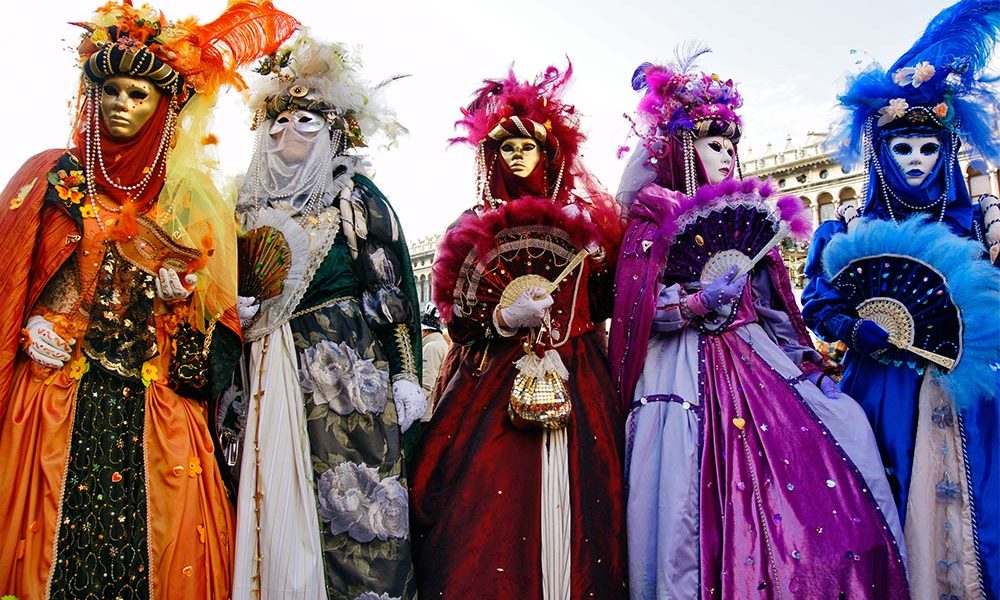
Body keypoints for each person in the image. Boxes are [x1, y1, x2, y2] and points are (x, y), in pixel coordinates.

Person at [0, 2, 297, 598]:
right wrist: (32, 322)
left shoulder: (191, 201)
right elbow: (11, 278)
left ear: (162, 107)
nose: (120, 103)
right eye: (110, 88)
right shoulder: (51, 175)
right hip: (54, 401)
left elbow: (219, 335)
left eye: (138, 93)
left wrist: (185, 303)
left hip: (154, 403)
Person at [608, 51, 909, 599]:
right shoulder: (651, 223)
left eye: (730, 146)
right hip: (681, 374)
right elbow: (635, 314)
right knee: (684, 500)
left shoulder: (749, 218)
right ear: (682, 147)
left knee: (842, 444)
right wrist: (696, 305)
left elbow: (777, 312)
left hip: (759, 367)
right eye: (711, 144)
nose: (725, 156)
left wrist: (809, 364)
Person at [216, 32, 426, 600]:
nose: (288, 131)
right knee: (270, 493)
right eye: (278, 121)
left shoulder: (354, 196)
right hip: (265, 366)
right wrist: (231, 304)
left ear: (333, 130)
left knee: (352, 503)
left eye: (306, 120)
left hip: (343, 370)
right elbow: (217, 287)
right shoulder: (240, 207)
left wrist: (407, 373)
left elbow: (393, 286)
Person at [801, 1, 1000, 596]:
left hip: (968, 392)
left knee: (982, 502)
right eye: (903, 149)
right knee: (884, 492)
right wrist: (849, 326)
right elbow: (817, 298)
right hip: (880, 386)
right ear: (880, 155)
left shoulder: (979, 225)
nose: (916, 161)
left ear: (947, 154)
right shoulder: (844, 231)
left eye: (928, 149)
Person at [408, 64, 627, 599]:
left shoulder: (585, 225)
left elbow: (607, 302)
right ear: (491, 156)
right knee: (484, 506)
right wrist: (502, 317)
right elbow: (455, 316)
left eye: (529, 144)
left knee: (591, 503)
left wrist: (590, 279)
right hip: (491, 381)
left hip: (579, 377)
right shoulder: (471, 225)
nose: (517, 155)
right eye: (505, 147)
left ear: (549, 153)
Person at [419, 303, 448, 420]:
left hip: (427, 413)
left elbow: (426, 384)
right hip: (434, 410)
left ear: (426, 331)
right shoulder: (441, 345)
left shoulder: (430, 348)